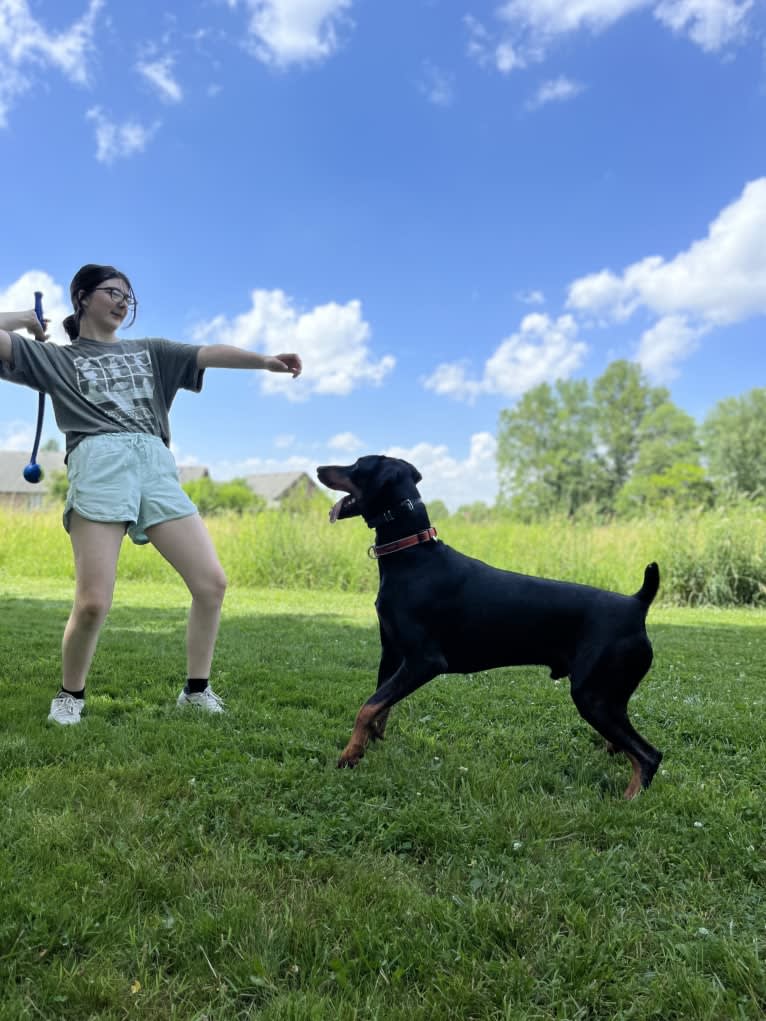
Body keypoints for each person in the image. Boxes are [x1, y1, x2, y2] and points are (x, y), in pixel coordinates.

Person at [0, 264, 302, 726]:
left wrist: (264, 361)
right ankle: (70, 694)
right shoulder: (57, 359)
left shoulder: (152, 351)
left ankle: (196, 691)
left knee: (211, 583)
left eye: (129, 296)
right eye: (112, 292)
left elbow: (207, 353)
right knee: (93, 602)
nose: (123, 302)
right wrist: (21, 317)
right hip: (99, 463)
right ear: (81, 297)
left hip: (156, 465)